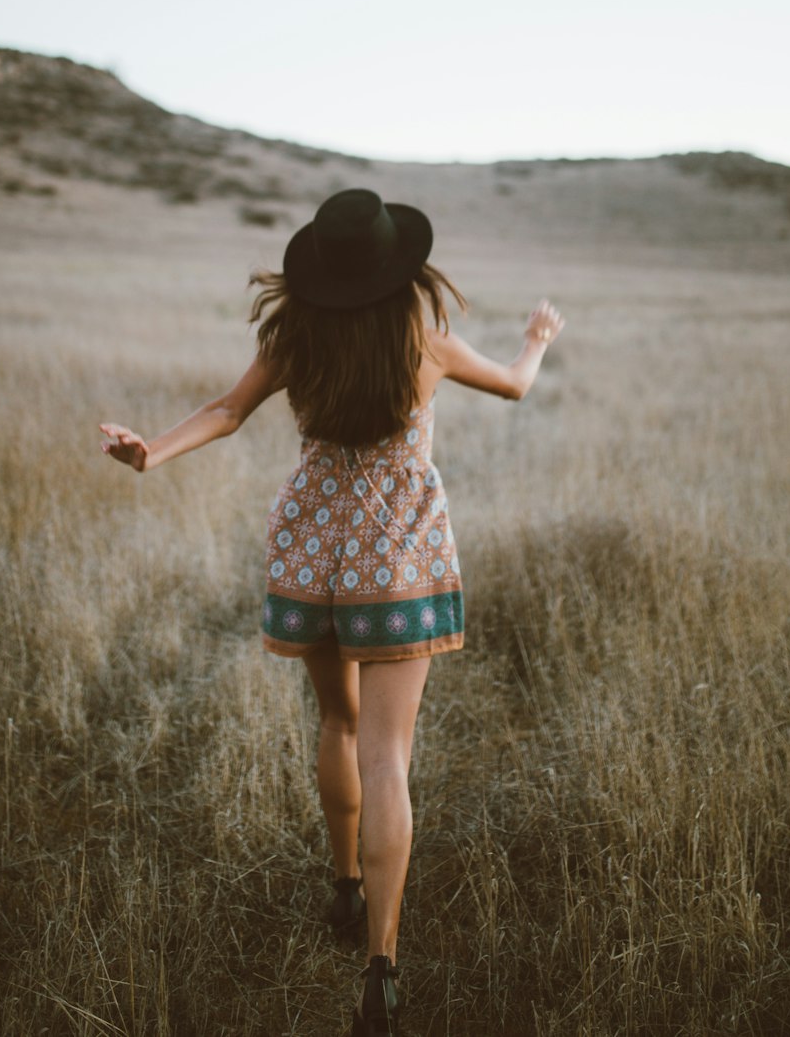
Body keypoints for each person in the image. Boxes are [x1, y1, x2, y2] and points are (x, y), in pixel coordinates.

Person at [100, 188, 563, 1036]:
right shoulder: (425, 339)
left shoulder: (295, 337)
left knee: (338, 726)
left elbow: (227, 412)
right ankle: (379, 967)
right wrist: (534, 342)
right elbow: (515, 388)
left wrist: (149, 453)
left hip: (312, 553)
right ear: (397, 269)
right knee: (390, 758)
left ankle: (344, 887)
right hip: (398, 559)